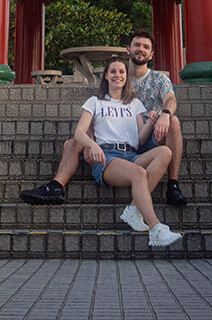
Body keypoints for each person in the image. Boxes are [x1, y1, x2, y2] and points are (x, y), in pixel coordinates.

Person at [20, 29, 188, 207]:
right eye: (137, 45)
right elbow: (100, 110)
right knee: (74, 142)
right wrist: (90, 140)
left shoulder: (158, 79)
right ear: (128, 50)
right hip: (118, 139)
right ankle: (56, 186)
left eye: (146, 47)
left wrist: (165, 114)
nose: (141, 49)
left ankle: (173, 184)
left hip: (150, 135)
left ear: (151, 54)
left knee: (174, 122)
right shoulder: (118, 75)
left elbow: (170, 99)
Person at [72, 56, 182, 247]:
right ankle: (156, 228)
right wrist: (93, 145)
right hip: (106, 157)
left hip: (131, 154)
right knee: (139, 173)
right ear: (106, 75)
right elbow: (78, 133)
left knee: (165, 152)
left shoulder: (135, 104)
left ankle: (133, 209)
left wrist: (152, 123)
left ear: (126, 76)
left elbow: (140, 139)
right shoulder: (95, 102)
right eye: (113, 71)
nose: (118, 75)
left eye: (122, 72)